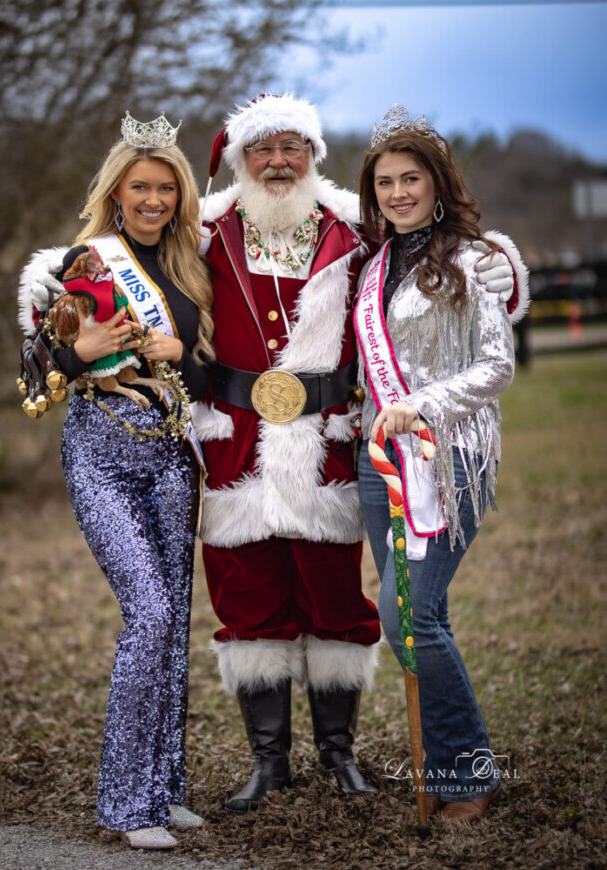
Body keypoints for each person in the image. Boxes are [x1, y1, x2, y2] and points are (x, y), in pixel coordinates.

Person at [192, 93, 525, 815]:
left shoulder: (351, 230)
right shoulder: (203, 231)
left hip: (337, 448)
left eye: (293, 148)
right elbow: (126, 261)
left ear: (315, 157)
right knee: (249, 597)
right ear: (238, 159)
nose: (278, 162)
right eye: (262, 149)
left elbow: (460, 279)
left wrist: (507, 272)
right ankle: (268, 763)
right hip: (239, 447)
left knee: (345, 601)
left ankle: (342, 757)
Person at [17, 111, 214, 849]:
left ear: (179, 195)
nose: (153, 200)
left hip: (169, 455)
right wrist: (79, 352)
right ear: (118, 191)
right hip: (101, 454)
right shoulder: (77, 265)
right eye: (141, 187)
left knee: (174, 628)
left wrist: (177, 350)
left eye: (166, 188)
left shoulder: (191, 266)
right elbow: (31, 375)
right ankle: (127, 805)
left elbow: (204, 374)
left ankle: (165, 787)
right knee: (150, 615)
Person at [354, 104, 527, 823]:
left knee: (410, 618)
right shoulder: (370, 266)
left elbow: (497, 366)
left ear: (437, 183)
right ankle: (450, 768)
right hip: (378, 463)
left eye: (411, 179)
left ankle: (468, 776)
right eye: (385, 182)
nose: (398, 193)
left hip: (449, 459)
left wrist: (422, 405)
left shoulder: (470, 257)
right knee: (423, 616)